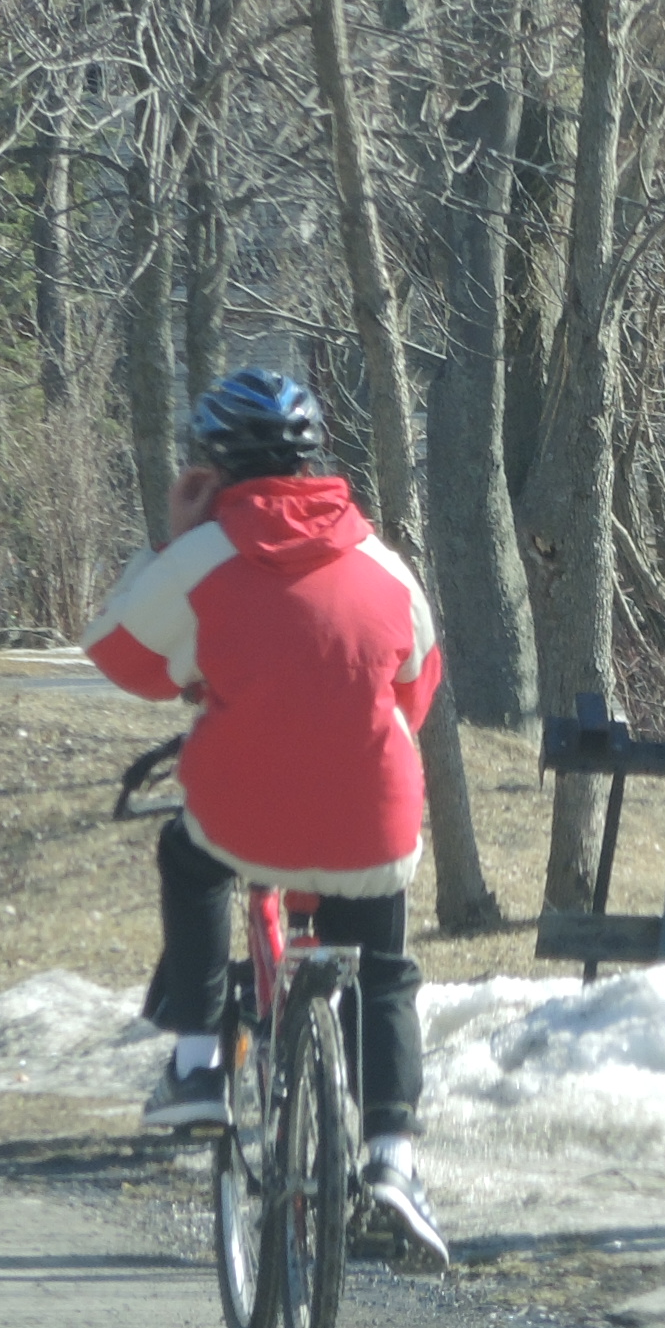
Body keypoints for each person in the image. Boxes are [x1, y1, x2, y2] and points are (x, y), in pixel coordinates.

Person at [84, 369, 447, 1255]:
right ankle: (392, 1161)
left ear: (211, 467)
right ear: (315, 459)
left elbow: (124, 659)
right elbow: (418, 690)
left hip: (242, 813)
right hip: (371, 817)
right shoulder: (382, 563)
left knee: (192, 860)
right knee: (384, 970)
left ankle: (199, 1064)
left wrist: (174, 541)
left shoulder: (203, 559)